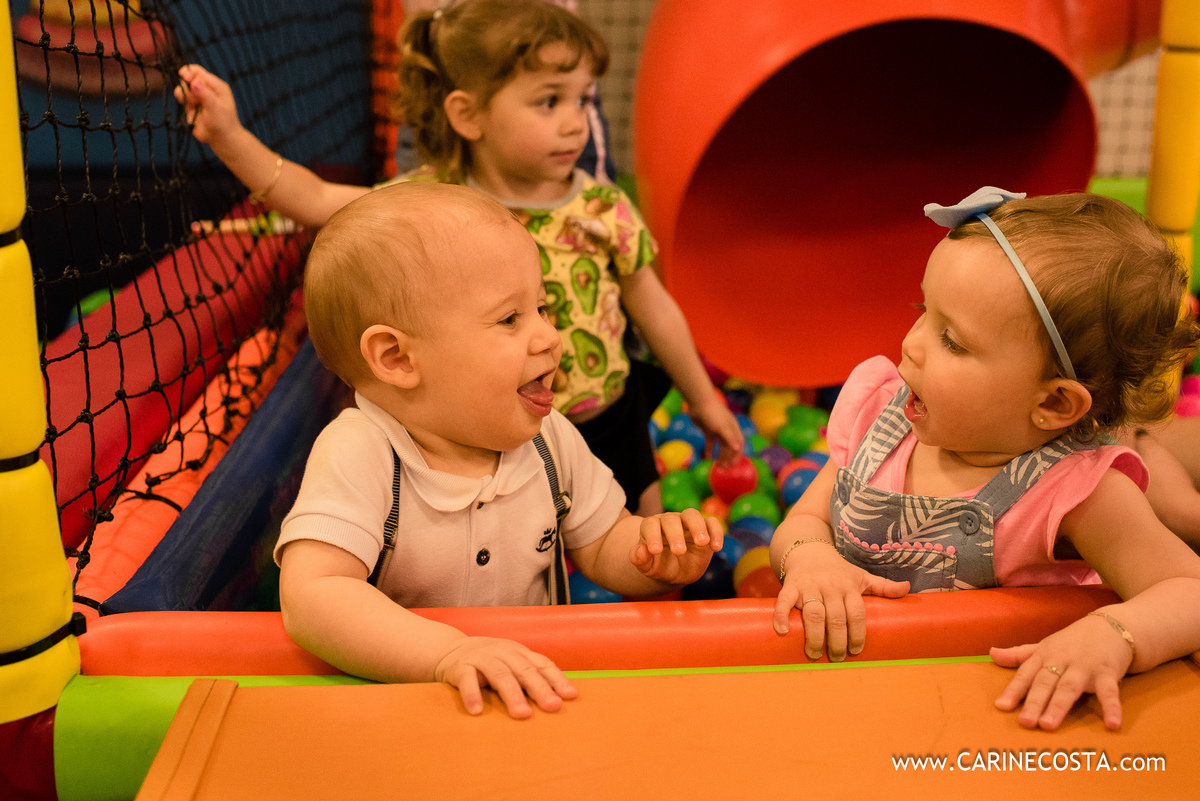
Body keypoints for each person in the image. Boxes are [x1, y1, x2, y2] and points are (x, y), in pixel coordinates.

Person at [174, 0, 742, 516]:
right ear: (468, 115)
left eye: (582, 99)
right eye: (548, 101)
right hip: (491, 438)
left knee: (644, 542)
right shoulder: (436, 207)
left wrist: (704, 399)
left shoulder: (602, 206)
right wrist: (228, 137)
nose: (575, 122)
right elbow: (316, 200)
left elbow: (656, 310)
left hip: (607, 416)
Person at [276, 181, 724, 719]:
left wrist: (654, 553)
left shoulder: (547, 437)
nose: (550, 338)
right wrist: (447, 653)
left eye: (542, 308)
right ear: (396, 358)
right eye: (510, 319)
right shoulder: (363, 453)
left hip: (530, 697)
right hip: (405, 707)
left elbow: (603, 543)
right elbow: (313, 595)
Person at [767, 187, 1200, 731]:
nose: (911, 344)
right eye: (923, 312)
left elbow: (1189, 590)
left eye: (952, 340)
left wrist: (1116, 634)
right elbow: (805, 521)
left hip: (983, 721)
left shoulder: (1073, 492)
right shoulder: (881, 421)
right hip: (858, 705)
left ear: (1053, 402)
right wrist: (810, 558)